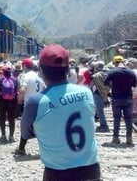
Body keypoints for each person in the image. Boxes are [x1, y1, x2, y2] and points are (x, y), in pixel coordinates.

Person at [20, 44, 100, 180]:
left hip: (57, 172)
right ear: (68, 69)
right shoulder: (86, 93)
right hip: (90, 169)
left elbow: (25, 133)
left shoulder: (36, 102)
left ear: (40, 70)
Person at [14, 58, 45, 154]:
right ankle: (45, 149)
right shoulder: (39, 78)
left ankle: (21, 148)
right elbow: (44, 89)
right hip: (41, 104)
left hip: (30, 105)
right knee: (40, 127)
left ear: (24, 66)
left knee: (24, 126)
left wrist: (20, 99)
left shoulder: (25, 76)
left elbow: (23, 89)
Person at [104, 55, 137, 145]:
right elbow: (134, 85)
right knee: (128, 119)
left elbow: (105, 82)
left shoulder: (112, 72)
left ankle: (116, 138)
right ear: (123, 62)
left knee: (117, 119)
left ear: (115, 63)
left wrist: (112, 86)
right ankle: (129, 139)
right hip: (128, 98)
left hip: (116, 98)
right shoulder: (131, 72)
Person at [0, 64, 19, 143]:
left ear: (3, 71)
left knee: (2, 118)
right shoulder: (15, 80)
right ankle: (11, 136)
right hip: (12, 101)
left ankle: (3, 135)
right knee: (11, 119)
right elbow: (16, 90)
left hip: (1, 101)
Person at [91, 60, 111, 133]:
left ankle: (104, 126)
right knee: (100, 110)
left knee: (100, 111)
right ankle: (103, 125)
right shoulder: (106, 73)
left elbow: (92, 85)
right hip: (105, 93)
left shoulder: (96, 76)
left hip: (98, 94)